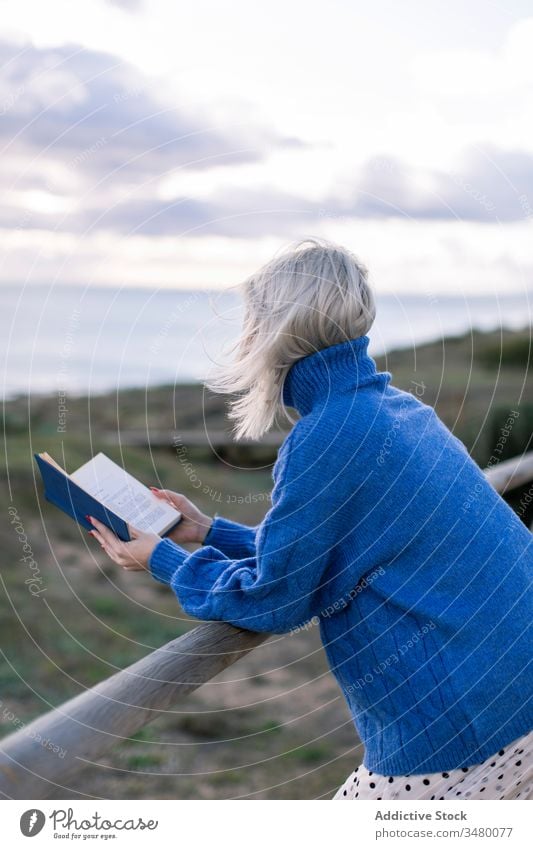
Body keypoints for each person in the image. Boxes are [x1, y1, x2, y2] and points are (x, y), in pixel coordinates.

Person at [88, 237, 533, 800]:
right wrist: (206, 532)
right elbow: (333, 549)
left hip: (463, 721)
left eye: (251, 322)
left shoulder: (328, 434)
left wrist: (164, 559)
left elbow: (273, 600)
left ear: (274, 330)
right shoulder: (399, 410)